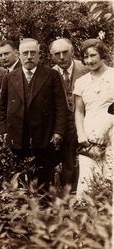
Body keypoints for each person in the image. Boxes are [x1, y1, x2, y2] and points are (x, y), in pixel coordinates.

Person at [0, 38, 68, 190]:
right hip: (17, 138)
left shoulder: (51, 75)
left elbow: (61, 106)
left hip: (44, 138)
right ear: (19, 55)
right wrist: (4, 131)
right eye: (25, 53)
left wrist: (58, 132)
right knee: (19, 180)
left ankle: (43, 211)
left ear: (39, 55)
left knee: (43, 182)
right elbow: (2, 107)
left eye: (33, 53)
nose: (29, 56)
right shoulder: (10, 77)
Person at [73, 39, 114, 198]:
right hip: (90, 137)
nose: (89, 60)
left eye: (93, 55)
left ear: (102, 55)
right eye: (85, 57)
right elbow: (79, 112)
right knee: (89, 178)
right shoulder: (81, 82)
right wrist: (82, 137)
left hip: (112, 133)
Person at [50, 38, 89, 192]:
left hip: (85, 120)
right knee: (67, 159)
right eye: (57, 54)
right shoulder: (51, 73)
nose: (61, 57)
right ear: (52, 56)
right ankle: (69, 193)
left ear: (72, 51)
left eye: (65, 52)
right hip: (62, 124)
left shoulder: (85, 68)